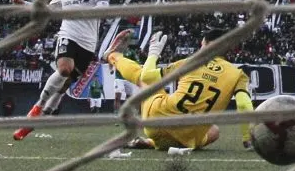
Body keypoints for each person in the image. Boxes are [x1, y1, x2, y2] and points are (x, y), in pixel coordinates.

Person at [11, 0, 110, 141]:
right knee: (65, 69)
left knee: (63, 87)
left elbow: (103, 9)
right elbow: (50, 9)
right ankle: (36, 109)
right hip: (68, 34)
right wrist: (25, 4)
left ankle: (34, 123)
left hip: (88, 43)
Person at [106, 28, 254, 150]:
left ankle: (112, 56)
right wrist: (247, 139)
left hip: (156, 121)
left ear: (206, 44)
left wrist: (153, 54)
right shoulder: (238, 74)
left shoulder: (191, 62)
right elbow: (243, 105)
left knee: (145, 81)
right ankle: (156, 143)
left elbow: (146, 76)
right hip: (188, 137)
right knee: (214, 131)